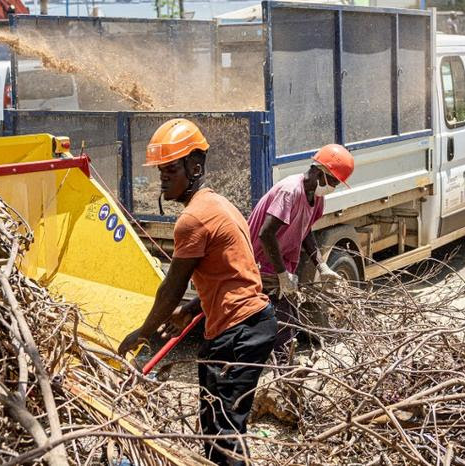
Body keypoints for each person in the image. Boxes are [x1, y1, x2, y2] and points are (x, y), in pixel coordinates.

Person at [117, 119, 276, 466]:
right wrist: (194, 307)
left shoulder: (193, 219)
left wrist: (143, 333)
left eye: (170, 169)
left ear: (196, 166)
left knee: (224, 431)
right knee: (214, 421)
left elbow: (169, 289)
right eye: (161, 171)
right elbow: (232, 275)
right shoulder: (219, 204)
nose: (163, 178)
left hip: (240, 331)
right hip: (243, 326)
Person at [247, 144, 352, 355]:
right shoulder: (290, 192)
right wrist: (282, 275)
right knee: (283, 326)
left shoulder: (316, 197)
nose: (333, 186)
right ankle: (285, 375)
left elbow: (305, 231)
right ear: (318, 171)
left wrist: (322, 266)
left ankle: (283, 370)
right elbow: (266, 234)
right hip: (259, 264)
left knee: (285, 323)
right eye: (332, 181)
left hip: (278, 264)